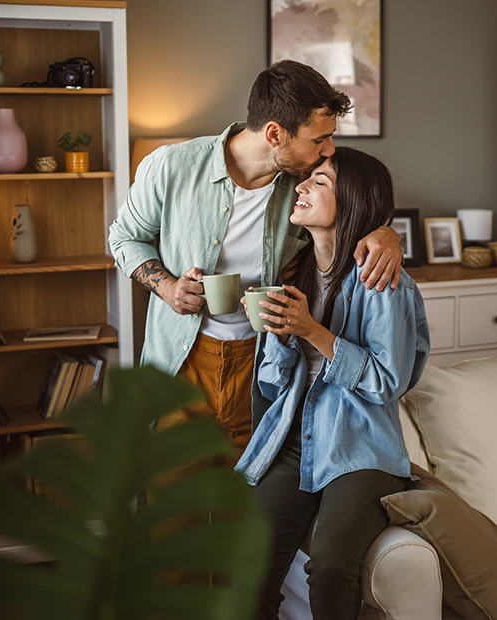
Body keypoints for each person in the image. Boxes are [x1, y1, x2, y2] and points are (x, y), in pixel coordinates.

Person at [108, 60, 403, 451]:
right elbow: (124, 238)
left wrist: (385, 232)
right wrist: (167, 287)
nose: (329, 150)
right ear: (275, 133)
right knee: (175, 505)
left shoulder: (302, 187)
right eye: (319, 139)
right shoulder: (170, 166)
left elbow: (352, 207)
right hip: (180, 360)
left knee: (248, 504)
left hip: (263, 364)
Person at [235, 147, 430, 619]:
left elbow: (387, 382)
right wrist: (278, 336)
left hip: (360, 448)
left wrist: (312, 332)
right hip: (297, 440)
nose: (300, 188)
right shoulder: (293, 272)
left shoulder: (382, 280)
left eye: (319, 182)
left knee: (330, 565)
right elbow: (276, 382)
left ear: (354, 201)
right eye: (307, 180)